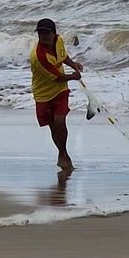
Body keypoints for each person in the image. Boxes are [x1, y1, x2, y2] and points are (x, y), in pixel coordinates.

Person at [29, 18, 83, 173]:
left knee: (60, 121)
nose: (44, 36)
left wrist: (74, 65)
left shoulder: (58, 41)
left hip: (60, 90)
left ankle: (63, 154)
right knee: (53, 126)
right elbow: (57, 77)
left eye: (47, 33)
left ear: (54, 33)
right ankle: (63, 154)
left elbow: (62, 56)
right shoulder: (38, 56)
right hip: (43, 94)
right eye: (41, 33)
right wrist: (73, 77)